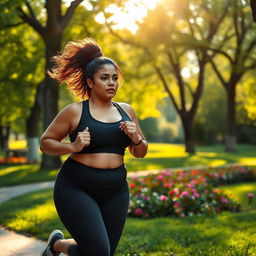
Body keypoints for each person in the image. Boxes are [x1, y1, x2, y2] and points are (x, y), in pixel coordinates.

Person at [40, 38, 148, 256]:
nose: (112, 83)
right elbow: (45, 143)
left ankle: (56, 246)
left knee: (101, 253)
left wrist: (136, 138)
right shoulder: (75, 111)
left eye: (115, 78)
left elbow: (140, 152)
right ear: (90, 82)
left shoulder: (127, 110)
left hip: (116, 190)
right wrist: (73, 146)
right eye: (105, 78)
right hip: (76, 187)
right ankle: (57, 245)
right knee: (99, 252)